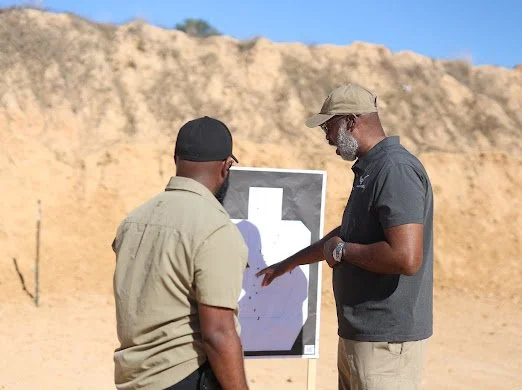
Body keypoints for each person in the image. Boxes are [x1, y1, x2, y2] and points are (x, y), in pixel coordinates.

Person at [257, 83, 434, 390]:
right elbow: (345, 237)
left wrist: (342, 253)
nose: (327, 137)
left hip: (384, 342)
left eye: (329, 126)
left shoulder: (394, 168)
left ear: (351, 121)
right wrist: (288, 263)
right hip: (365, 335)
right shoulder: (374, 167)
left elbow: (406, 257)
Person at [112, 116, 249, 390]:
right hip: (185, 377)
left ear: (176, 159)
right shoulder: (216, 229)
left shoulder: (133, 220)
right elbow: (218, 333)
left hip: (135, 378)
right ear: (226, 166)